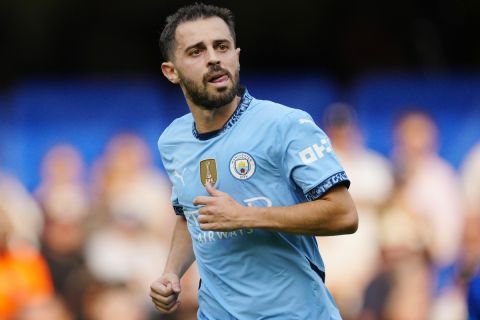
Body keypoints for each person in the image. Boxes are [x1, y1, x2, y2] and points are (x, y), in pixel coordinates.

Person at [149, 3, 358, 319]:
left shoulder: (284, 125)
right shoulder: (172, 141)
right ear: (171, 71)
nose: (214, 58)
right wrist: (171, 272)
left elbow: (344, 214)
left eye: (222, 47)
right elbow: (190, 215)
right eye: (196, 51)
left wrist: (245, 216)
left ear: (237, 56)